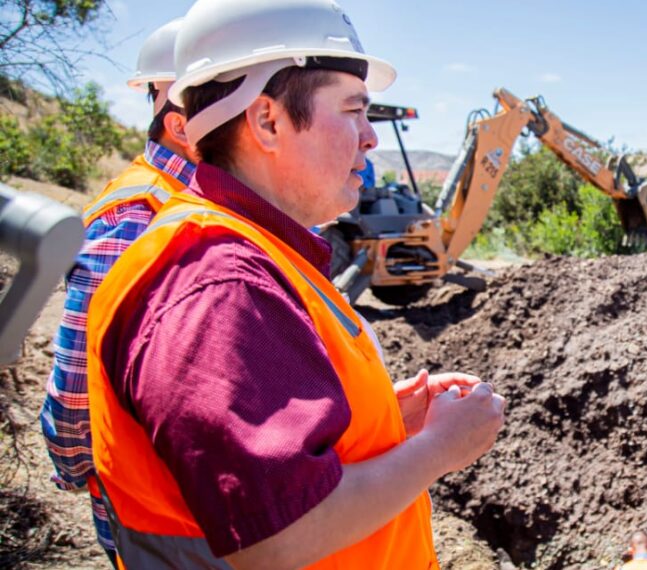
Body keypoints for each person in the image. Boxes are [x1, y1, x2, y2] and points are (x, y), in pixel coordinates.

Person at [84, 0, 505, 568]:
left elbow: (268, 431)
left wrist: (381, 416)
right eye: (353, 111)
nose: (370, 139)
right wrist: (437, 449)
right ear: (268, 121)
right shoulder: (218, 283)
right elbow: (279, 535)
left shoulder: (255, 252)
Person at [38, 17, 196, 565]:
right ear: (179, 122)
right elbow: (80, 381)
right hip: (157, 518)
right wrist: (81, 468)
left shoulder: (195, 200)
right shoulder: (137, 215)